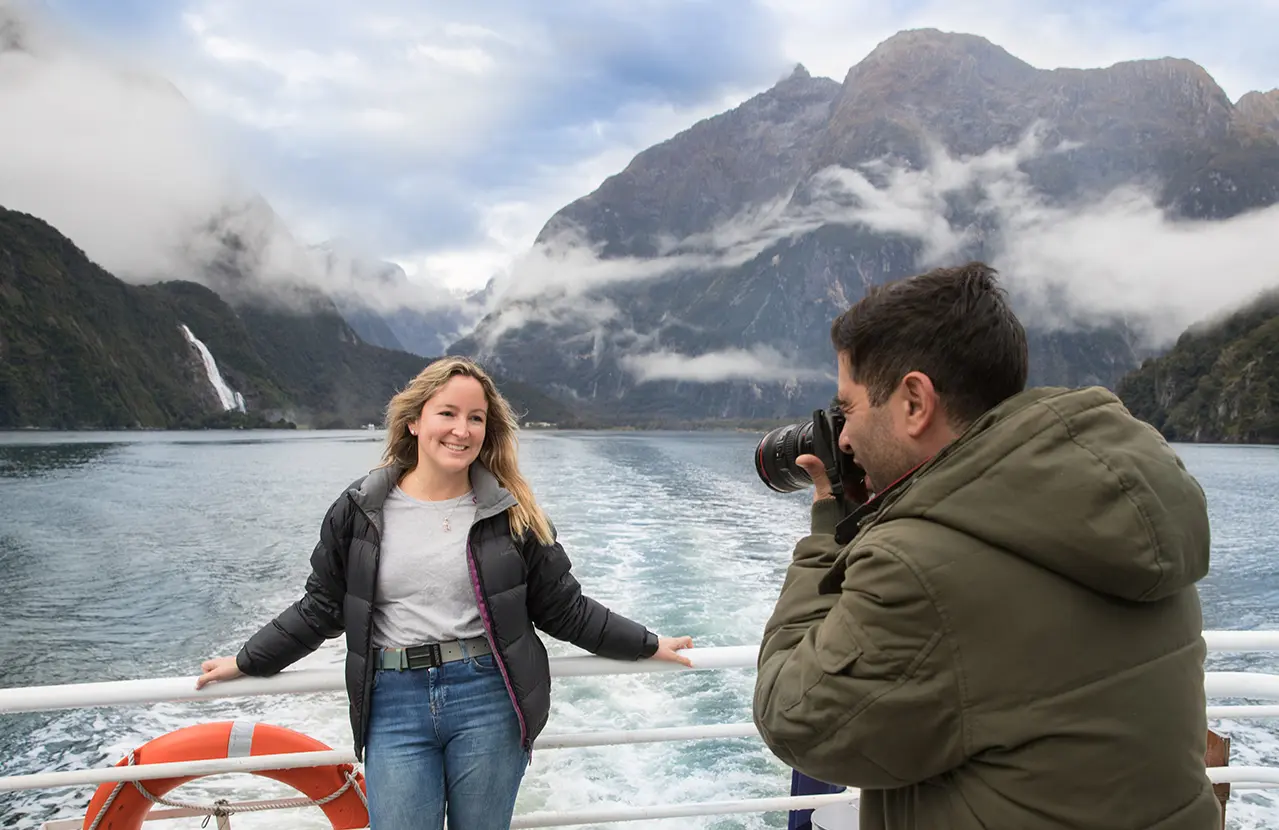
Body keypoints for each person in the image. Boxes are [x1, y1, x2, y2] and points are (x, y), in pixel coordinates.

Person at [752, 262, 1219, 829]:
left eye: (848, 408)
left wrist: (829, 532)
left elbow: (792, 716)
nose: (843, 437)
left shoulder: (917, 566)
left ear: (915, 402)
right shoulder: (1133, 504)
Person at [196, 356, 694, 830]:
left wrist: (648, 643)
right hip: (393, 701)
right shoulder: (358, 510)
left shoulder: (510, 512)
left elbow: (563, 608)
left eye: (475, 417)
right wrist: (246, 660)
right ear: (414, 421)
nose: (462, 430)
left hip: (487, 697)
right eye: (448, 413)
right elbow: (322, 606)